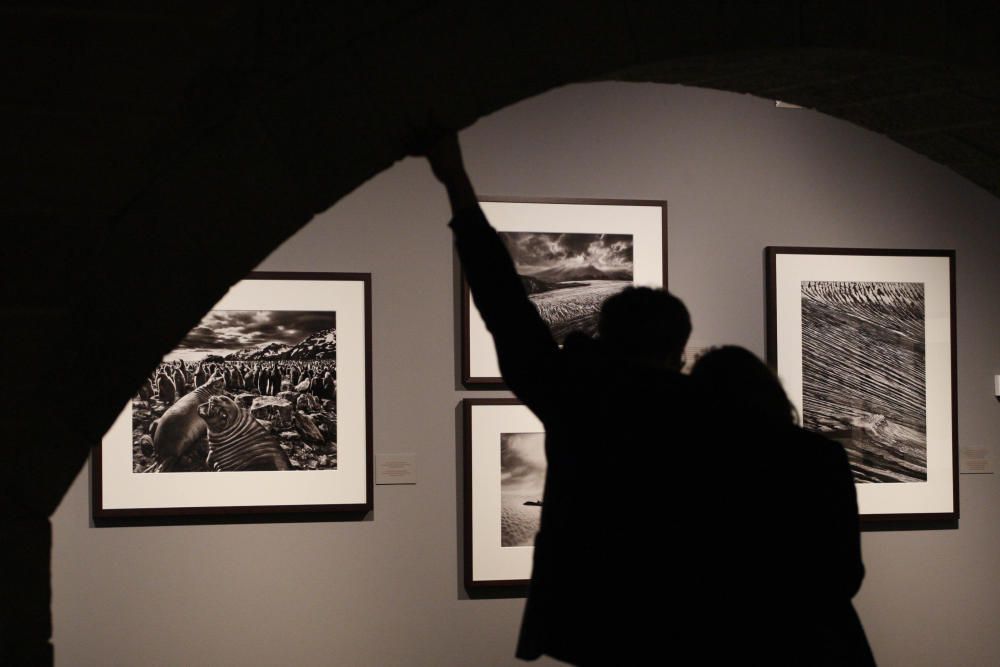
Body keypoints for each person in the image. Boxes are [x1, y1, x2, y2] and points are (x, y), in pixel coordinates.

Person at [425, 134, 716, 664]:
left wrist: (458, 186)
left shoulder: (581, 398)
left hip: (593, 627)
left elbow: (503, 302)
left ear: (607, 339)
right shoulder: (715, 415)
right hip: (692, 629)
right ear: (678, 350)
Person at [690, 346, 876, 666]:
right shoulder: (821, 456)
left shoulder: (694, 465)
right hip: (818, 638)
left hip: (724, 640)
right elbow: (847, 572)